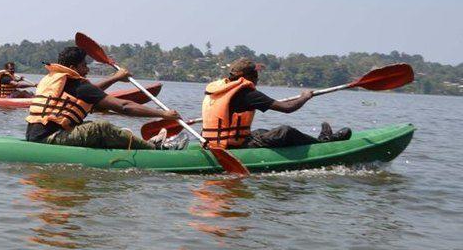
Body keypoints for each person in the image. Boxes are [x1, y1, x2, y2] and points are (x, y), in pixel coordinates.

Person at [26, 46, 184, 150]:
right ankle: (154, 148)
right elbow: (124, 106)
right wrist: (163, 114)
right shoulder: (78, 86)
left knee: (89, 126)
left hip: (34, 136)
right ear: (73, 68)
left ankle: (139, 143)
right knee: (100, 128)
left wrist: (115, 78)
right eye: (84, 65)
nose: (87, 69)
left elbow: (90, 92)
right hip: (50, 139)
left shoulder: (56, 81)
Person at [201, 58, 351, 149]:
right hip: (231, 146)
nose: (257, 78)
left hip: (215, 142)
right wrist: (305, 96)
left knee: (260, 131)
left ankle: (314, 141)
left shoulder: (218, 89)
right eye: (255, 74)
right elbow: (288, 108)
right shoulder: (246, 93)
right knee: (285, 131)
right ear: (247, 76)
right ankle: (323, 143)